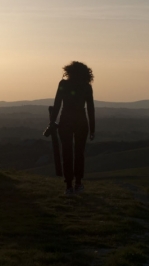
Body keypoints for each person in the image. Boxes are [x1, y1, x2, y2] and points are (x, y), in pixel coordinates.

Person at [48, 61, 95, 195]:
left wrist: (52, 121)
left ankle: (68, 185)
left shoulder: (63, 84)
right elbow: (91, 109)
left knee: (67, 153)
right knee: (79, 153)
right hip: (81, 121)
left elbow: (57, 103)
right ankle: (78, 183)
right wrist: (92, 129)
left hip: (65, 120)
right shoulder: (86, 87)